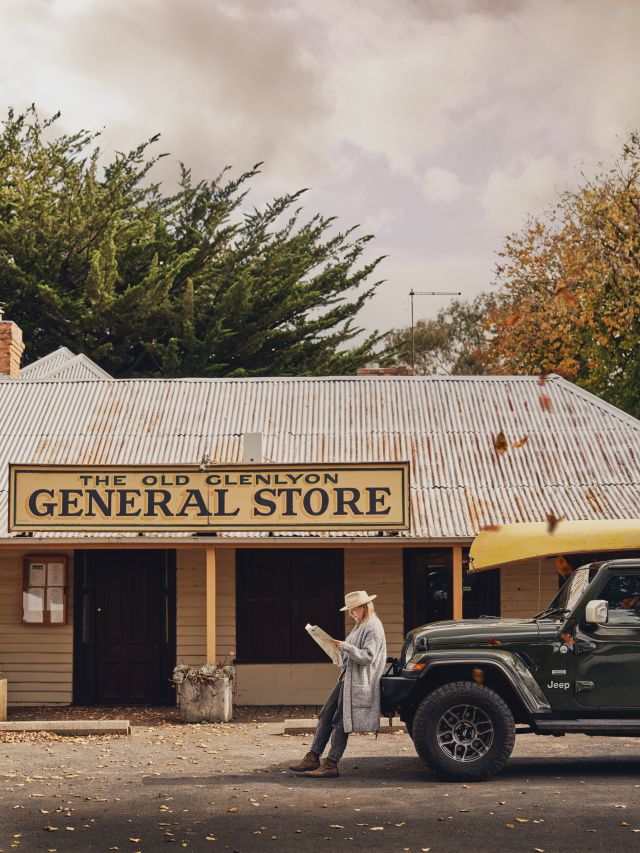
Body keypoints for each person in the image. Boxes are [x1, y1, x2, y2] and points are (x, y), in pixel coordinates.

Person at [289, 590, 387, 778]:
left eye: (353, 609)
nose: (351, 613)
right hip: (347, 678)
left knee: (341, 721)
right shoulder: (360, 625)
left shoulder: (373, 626)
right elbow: (353, 653)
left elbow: (368, 656)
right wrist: (336, 650)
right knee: (326, 714)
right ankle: (313, 757)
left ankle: (331, 763)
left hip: (358, 680)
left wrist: (346, 647)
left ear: (364, 607)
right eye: (350, 610)